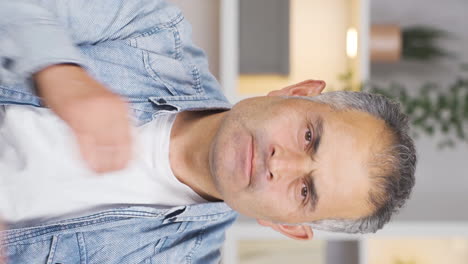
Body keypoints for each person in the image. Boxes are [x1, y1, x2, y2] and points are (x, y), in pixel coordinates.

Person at [0, 0, 416, 263]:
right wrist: (57, 69)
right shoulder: (149, 30)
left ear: (287, 226)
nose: (280, 163)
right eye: (309, 136)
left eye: (305, 190)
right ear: (298, 92)